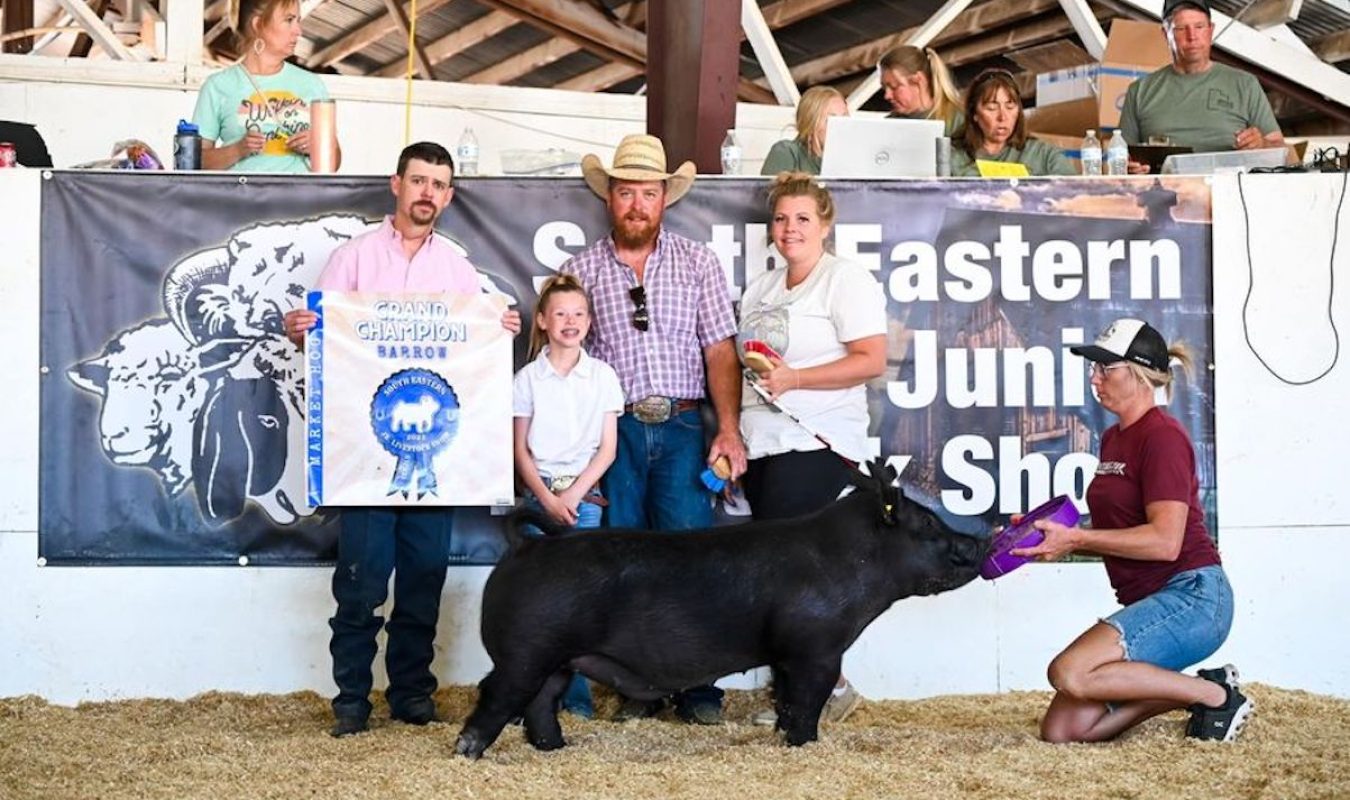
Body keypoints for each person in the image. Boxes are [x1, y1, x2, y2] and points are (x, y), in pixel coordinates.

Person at [281, 141, 520, 737]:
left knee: (422, 579)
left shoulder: (459, 271)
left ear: (450, 195)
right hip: (364, 456)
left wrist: (499, 329)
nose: (427, 194)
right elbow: (322, 338)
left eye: (439, 185)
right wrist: (301, 329)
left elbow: (474, 349)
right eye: (419, 181)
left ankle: (412, 696)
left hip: (436, 457)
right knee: (361, 581)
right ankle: (352, 702)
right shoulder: (354, 258)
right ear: (396, 184)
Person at [560, 133, 747, 726]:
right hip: (616, 434)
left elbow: (720, 350)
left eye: (647, 193)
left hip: (687, 423)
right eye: (625, 193)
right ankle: (639, 686)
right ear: (608, 199)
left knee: (693, 558)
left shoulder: (697, 262)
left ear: (664, 198)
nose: (637, 204)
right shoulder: (579, 270)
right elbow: (567, 363)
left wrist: (730, 428)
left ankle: (698, 686)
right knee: (624, 561)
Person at [1012, 318, 1253, 744]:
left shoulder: (1162, 437)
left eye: (1107, 368)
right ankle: (1199, 690)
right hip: (1156, 602)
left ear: (1141, 375)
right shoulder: (1114, 438)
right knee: (1063, 731)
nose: (1095, 377)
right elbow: (1119, 531)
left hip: (1194, 597)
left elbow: (1164, 542)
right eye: (1094, 368)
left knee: (1068, 671)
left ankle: (1216, 697)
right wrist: (1054, 538)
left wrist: (1078, 539)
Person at [739, 172, 887, 727]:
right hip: (763, 444)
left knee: (793, 577)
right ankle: (816, 686)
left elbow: (871, 359)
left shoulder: (844, 279)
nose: (789, 228)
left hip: (815, 440)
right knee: (779, 577)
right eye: (781, 219)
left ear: (825, 224)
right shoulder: (761, 288)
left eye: (803, 218)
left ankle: (818, 689)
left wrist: (797, 379)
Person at [511, 273, 624, 719]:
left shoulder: (602, 376)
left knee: (578, 602)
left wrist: (573, 495)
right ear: (542, 321)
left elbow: (608, 448)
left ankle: (575, 698)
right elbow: (519, 448)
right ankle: (529, 695)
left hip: (584, 498)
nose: (569, 321)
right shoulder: (527, 378)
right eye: (560, 313)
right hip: (540, 497)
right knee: (535, 600)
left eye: (578, 313)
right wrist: (547, 497)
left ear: (590, 321)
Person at [1120, 0, 1283, 172]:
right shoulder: (1140, 91)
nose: (1192, 36)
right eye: (1181, 28)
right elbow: (1120, 156)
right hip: (1163, 194)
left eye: (1199, 27)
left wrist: (1262, 144)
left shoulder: (1245, 84)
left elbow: (1282, 152)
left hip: (1229, 192)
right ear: (1165, 34)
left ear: (1210, 30)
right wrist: (1129, 167)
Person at [192, 0, 341, 172]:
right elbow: (195, 162)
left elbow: (333, 164)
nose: (299, 31)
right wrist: (237, 150)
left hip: (301, 197)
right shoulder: (217, 85)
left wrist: (317, 146)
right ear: (258, 24)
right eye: (289, 20)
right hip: (241, 197)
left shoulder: (312, 83)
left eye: (298, 21)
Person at [951, 69, 1076, 177]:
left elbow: (1074, 191)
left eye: (1010, 107)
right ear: (974, 114)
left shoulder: (1043, 155)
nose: (1002, 117)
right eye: (991, 108)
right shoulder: (953, 157)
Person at [877, 45, 964, 136]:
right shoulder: (888, 125)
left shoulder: (959, 121)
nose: (887, 95)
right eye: (884, 88)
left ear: (919, 80)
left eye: (894, 87)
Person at [760, 86, 848, 176]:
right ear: (810, 121)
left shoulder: (847, 158)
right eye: (831, 119)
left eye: (845, 119)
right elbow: (771, 189)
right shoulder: (787, 152)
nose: (841, 126)